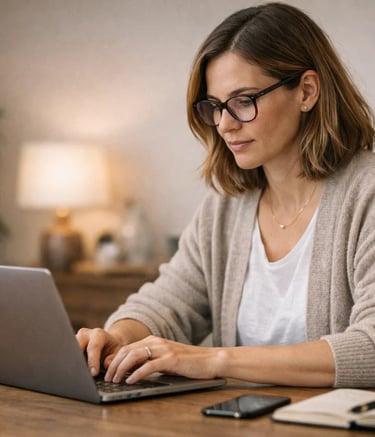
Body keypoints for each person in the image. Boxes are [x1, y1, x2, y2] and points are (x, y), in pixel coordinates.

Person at [77, 2, 375, 388]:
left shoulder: (366, 195)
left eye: (244, 101)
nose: (225, 124)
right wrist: (118, 338)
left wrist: (214, 359)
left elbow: (369, 348)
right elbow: (168, 302)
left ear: (306, 91)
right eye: (215, 106)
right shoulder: (224, 209)